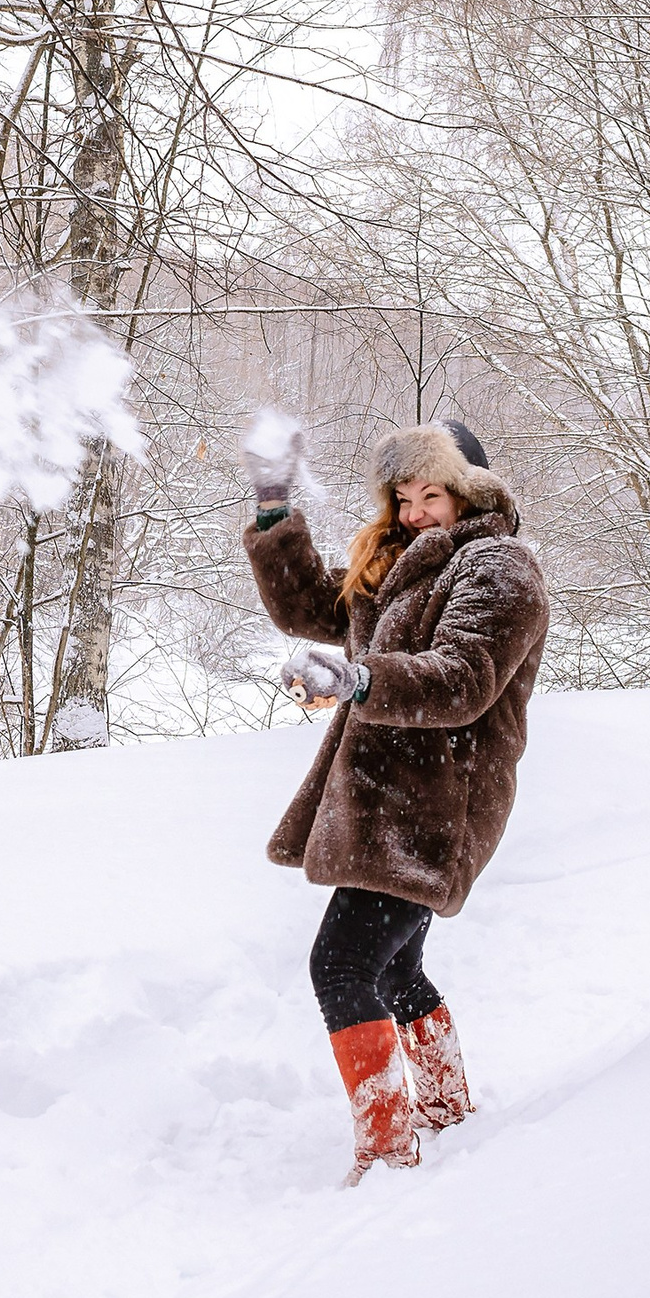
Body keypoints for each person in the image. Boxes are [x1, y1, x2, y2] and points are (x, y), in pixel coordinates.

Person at [240, 418, 547, 1185]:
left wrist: (359, 680)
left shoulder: (499, 568)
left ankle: (385, 1151)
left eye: (431, 495)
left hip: (436, 802)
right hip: (384, 796)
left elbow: (462, 676)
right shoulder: (402, 561)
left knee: (338, 966)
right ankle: (444, 1106)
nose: (414, 512)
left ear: (468, 492)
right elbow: (313, 607)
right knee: (394, 968)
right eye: (403, 497)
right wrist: (275, 509)